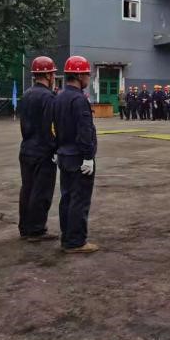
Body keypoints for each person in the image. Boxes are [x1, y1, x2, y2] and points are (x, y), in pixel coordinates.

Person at [53, 56, 98, 253]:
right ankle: (76, 241)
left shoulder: (59, 97)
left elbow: (54, 127)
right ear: (79, 76)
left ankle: (67, 237)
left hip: (64, 154)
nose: (88, 77)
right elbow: (84, 130)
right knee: (79, 200)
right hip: (78, 157)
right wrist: (88, 156)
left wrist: (57, 148)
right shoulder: (79, 99)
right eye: (87, 73)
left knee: (67, 198)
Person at [18, 56, 58, 242]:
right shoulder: (48, 97)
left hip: (27, 148)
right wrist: (54, 148)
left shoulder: (27, 94)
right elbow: (50, 126)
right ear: (48, 75)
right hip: (43, 151)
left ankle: (25, 227)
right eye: (53, 74)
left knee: (27, 189)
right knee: (41, 192)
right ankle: (36, 229)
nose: (54, 77)